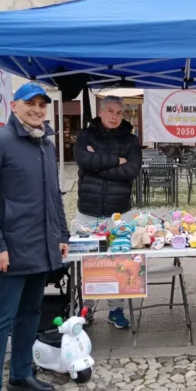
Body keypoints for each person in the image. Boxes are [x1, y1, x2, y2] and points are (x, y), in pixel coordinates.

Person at [0, 82, 70, 391]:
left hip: (39, 248)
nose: (37, 109)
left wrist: (62, 234)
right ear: (14, 105)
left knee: (30, 315)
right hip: (7, 251)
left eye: (42, 104)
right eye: (30, 103)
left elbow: (53, 195)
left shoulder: (45, 144)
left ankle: (21, 374)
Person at [74, 95, 142, 329]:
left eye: (118, 112)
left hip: (118, 212)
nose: (114, 117)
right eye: (110, 111)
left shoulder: (131, 140)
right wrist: (116, 160)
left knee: (118, 261)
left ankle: (116, 309)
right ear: (100, 112)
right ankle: (86, 308)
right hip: (88, 212)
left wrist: (97, 166)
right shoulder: (86, 135)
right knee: (89, 263)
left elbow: (132, 170)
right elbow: (82, 158)